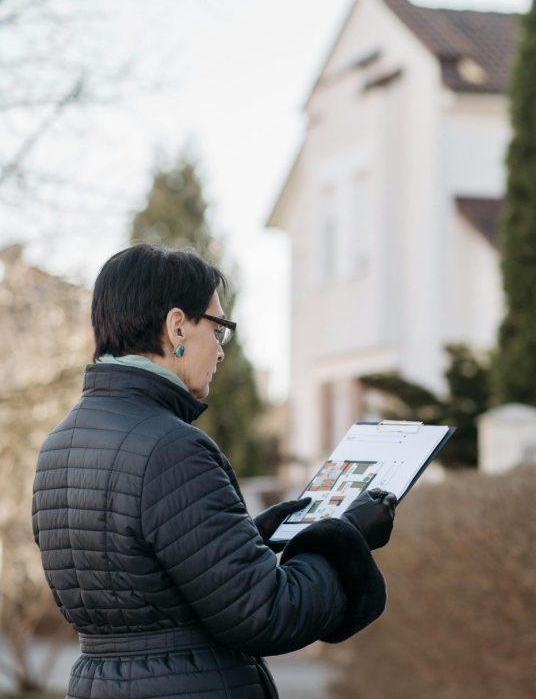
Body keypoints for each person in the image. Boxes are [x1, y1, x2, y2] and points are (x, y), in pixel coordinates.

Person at [32, 244, 397, 699]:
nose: (222, 352)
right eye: (219, 329)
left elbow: (150, 582)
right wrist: (345, 538)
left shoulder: (60, 444)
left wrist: (250, 540)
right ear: (177, 325)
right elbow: (266, 613)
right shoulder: (172, 448)